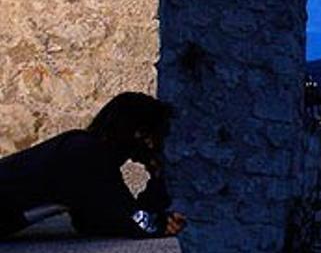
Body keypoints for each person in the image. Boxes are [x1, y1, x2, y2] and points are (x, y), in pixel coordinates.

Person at [0, 92, 186, 239]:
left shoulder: (85, 148)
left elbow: (94, 222)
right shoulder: (88, 156)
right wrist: (161, 222)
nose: (158, 145)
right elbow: (132, 219)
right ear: (140, 134)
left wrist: (155, 180)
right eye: (158, 135)